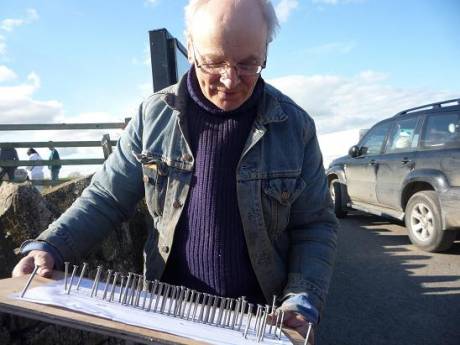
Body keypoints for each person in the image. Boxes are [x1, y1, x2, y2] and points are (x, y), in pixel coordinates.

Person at [12, 1, 338, 342]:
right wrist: (50, 246)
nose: (229, 80)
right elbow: (106, 198)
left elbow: (314, 224)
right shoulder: (153, 116)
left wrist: (303, 300)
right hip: (167, 316)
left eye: (248, 64)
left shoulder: (295, 127)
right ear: (192, 46)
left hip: (261, 325)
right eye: (214, 62)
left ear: (265, 49)